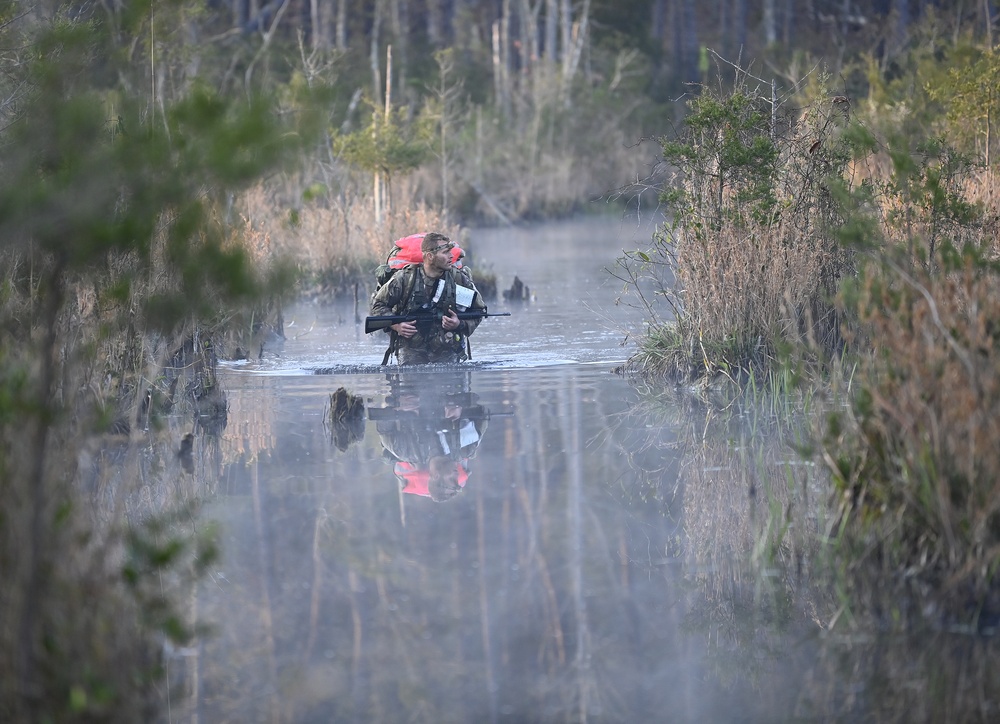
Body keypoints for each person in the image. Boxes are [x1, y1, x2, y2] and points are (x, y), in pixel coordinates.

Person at [370, 232, 487, 365]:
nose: (451, 256)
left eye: (451, 252)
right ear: (430, 256)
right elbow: (378, 305)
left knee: (452, 381)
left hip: (447, 347)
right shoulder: (405, 279)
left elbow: (479, 311)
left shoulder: (457, 279)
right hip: (411, 346)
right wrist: (396, 325)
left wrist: (459, 324)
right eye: (445, 252)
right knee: (409, 381)